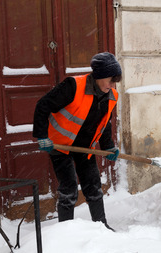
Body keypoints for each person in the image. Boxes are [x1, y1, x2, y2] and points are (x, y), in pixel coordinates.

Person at [33, 52, 122, 231]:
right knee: (69, 189)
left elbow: (105, 123)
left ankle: (102, 227)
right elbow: (43, 105)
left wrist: (108, 147)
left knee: (93, 185)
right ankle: (67, 233)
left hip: (85, 147)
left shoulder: (111, 95)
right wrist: (42, 136)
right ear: (99, 75)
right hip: (60, 145)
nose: (113, 85)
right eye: (111, 80)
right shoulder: (73, 86)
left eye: (115, 82)